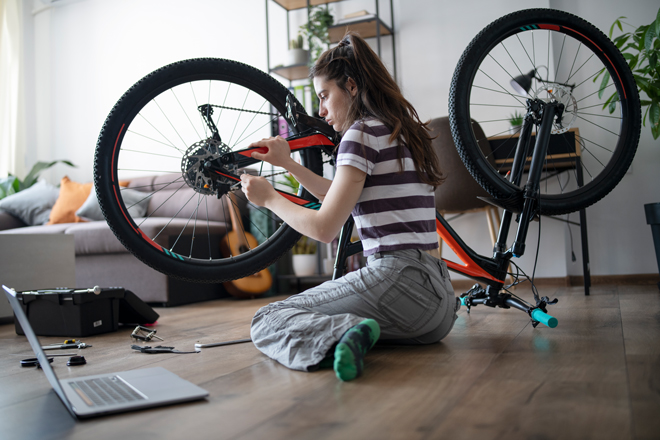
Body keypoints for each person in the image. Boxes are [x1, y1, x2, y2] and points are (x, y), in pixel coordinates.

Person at [239, 32, 457, 381]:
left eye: (324, 96)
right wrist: (290, 165)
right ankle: (346, 334)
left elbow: (325, 229)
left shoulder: (360, 133)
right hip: (439, 305)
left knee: (268, 317)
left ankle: (340, 332)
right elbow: (338, 192)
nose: (321, 110)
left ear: (352, 87)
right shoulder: (400, 131)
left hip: (400, 281)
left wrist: (269, 199)